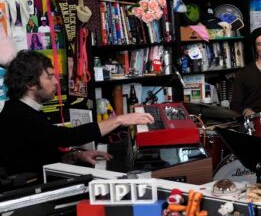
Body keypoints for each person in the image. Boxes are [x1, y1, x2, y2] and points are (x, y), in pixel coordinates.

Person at [0, 50, 154, 180]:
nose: (56, 82)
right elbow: (69, 136)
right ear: (30, 84)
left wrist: (75, 156)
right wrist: (120, 119)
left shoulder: (21, 109)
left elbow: (41, 153)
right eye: (49, 77)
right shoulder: (19, 116)